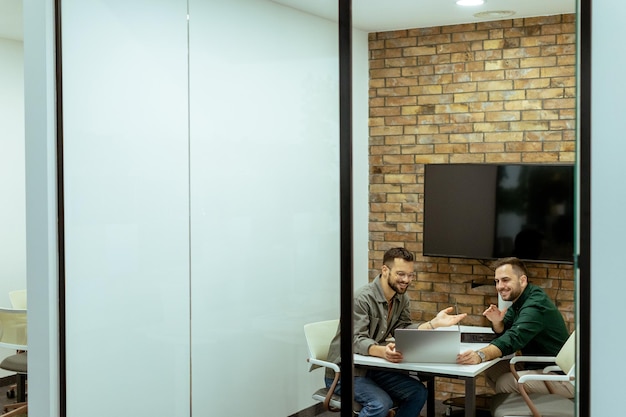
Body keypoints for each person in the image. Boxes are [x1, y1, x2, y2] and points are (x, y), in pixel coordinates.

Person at [325, 247, 467, 417]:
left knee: (418, 393)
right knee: (380, 404)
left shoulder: (402, 298)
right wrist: (382, 352)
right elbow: (355, 340)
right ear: (385, 270)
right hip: (346, 372)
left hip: (373, 368)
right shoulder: (361, 299)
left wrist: (432, 324)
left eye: (410, 275)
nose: (406, 280)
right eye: (401, 274)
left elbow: (402, 328)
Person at [456, 257, 574, 398]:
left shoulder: (535, 305)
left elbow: (513, 338)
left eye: (505, 280)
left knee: (504, 383)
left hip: (558, 375)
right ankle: (521, 407)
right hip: (536, 366)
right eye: (497, 281)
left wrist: (480, 355)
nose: (500, 287)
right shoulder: (521, 299)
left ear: (522, 280)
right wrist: (498, 323)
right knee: (493, 370)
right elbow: (507, 328)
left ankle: (529, 409)